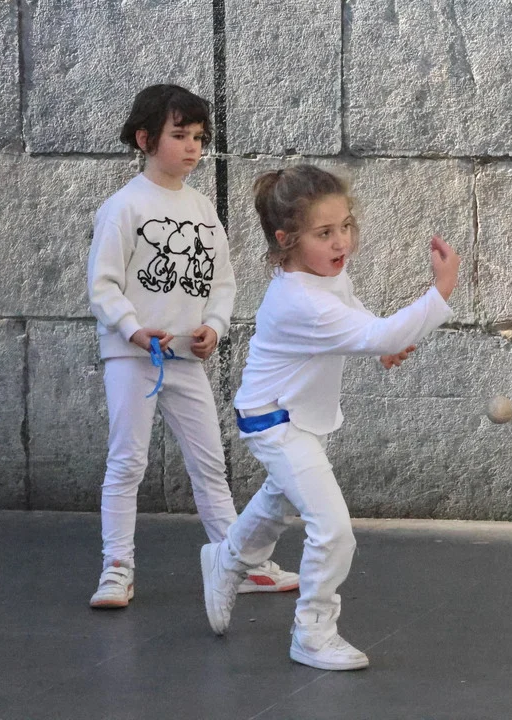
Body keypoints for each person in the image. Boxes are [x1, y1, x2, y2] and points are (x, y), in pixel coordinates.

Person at [199, 164, 460, 670]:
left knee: (277, 502)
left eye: (345, 225)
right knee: (333, 529)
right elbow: (373, 331)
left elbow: (358, 318)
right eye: (324, 233)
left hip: (298, 415)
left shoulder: (324, 275)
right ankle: (313, 632)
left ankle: (227, 559)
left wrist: (382, 344)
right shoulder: (299, 300)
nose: (341, 241)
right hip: (275, 421)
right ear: (286, 240)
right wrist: (440, 290)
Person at [86, 84, 297, 608]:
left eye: (199, 137)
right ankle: (116, 569)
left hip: (184, 360)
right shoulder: (123, 207)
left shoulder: (203, 209)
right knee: (126, 463)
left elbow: (221, 281)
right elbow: (103, 285)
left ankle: (237, 564)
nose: (192, 147)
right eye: (179, 135)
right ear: (145, 139)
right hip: (132, 358)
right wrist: (133, 329)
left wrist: (215, 327)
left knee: (210, 466)